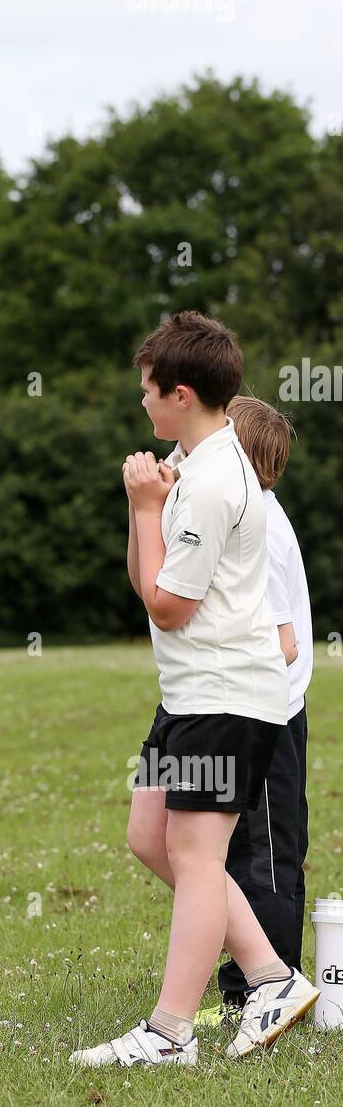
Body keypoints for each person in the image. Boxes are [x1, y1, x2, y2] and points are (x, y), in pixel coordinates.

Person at [70, 311, 318, 1067]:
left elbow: (165, 606)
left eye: (147, 390)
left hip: (223, 695)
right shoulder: (191, 462)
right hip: (186, 696)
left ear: (179, 392)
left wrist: (147, 507)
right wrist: (143, 509)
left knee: (198, 853)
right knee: (151, 837)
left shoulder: (212, 481)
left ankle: (169, 1031)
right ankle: (272, 976)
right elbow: (150, 580)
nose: (140, 401)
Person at [217, 397, 312, 1009]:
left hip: (268, 714)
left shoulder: (266, 532)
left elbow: (282, 643)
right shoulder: (242, 517)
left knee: (269, 856)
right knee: (229, 851)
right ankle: (246, 984)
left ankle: (270, 985)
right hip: (240, 707)